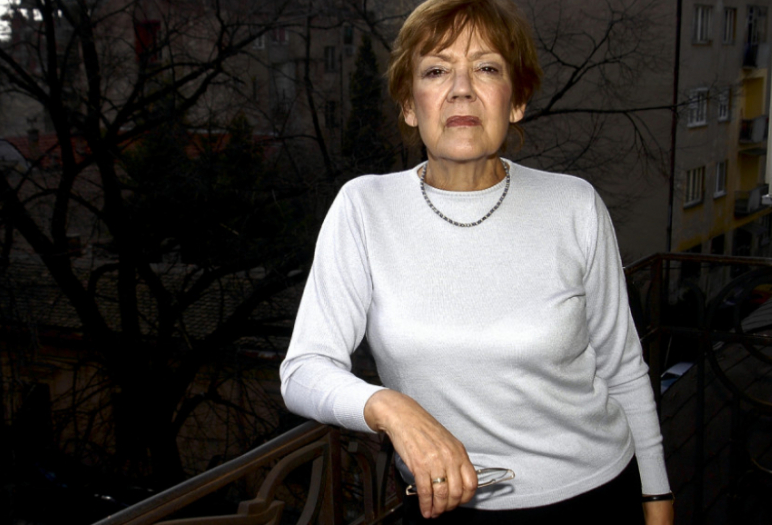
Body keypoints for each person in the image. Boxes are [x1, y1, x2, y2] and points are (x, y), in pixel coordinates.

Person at [278, 1, 674, 523]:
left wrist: (657, 499)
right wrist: (393, 409)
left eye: (486, 68)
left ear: (516, 101)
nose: (461, 89)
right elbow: (303, 370)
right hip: (443, 507)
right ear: (409, 105)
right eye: (436, 71)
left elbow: (622, 369)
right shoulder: (364, 208)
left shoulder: (574, 204)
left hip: (596, 496)